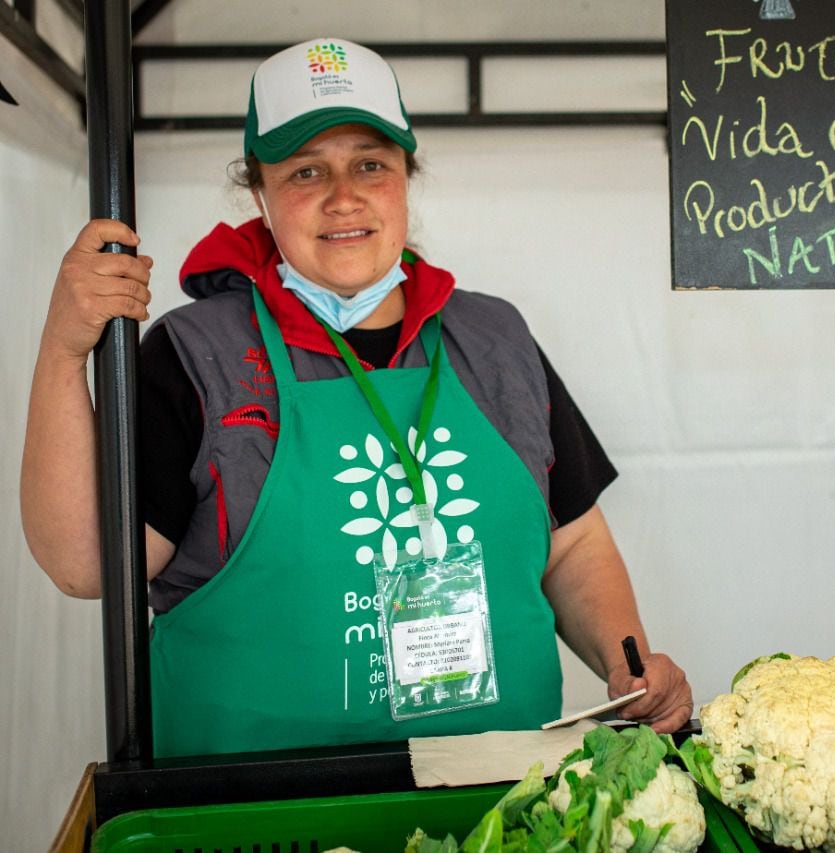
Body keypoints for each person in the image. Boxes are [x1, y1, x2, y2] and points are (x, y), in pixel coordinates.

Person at [20, 37, 692, 757]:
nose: (345, 196)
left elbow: (573, 542)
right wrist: (64, 349)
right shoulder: (195, 357)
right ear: (260, 194)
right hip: (252, 810)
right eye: (307, 170)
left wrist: (628, 666)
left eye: (370, 163)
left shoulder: (495, 338)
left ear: (406, 175)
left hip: (499, 799)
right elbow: (85, 562)